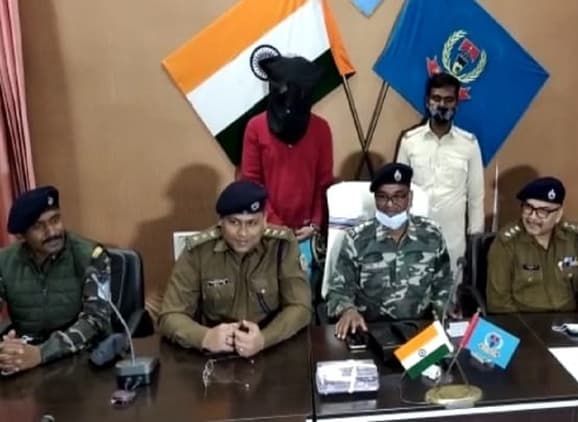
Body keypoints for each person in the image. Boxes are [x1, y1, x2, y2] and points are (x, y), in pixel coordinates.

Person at [158, 180, 312, 357]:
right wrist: (204, 337)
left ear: (264, 220)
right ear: (221, 221)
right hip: (215, 353)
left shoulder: (282, 246)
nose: (243, 233)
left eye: (252, 223)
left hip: (271, 349)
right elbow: (170, 315)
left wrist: (264, 338)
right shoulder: (198, 251)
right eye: (234, 222)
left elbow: (300, 307)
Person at [327, 163, 453, 339]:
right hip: (369, 330)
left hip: (420, 331)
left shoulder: (432, 235)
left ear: (410, 198)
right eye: (382, 197)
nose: (390, 204)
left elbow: (444, 284)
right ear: (375, 199)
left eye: (399, 196)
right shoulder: (356, 239)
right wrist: (348, 310)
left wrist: (440, 313)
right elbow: (338, 291)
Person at [239, 55, 334, 279]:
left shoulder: (321, 129)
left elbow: (324, 182)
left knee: (303, 290)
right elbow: (251, 181)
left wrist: (315, 223)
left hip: (306, 234)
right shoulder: (256, 127)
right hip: (265, 230)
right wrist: (275, 224)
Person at [0, 186, 110, 375]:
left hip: (84, 360)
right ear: (21, 236)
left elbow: (95, 320)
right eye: (38, 226)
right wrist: (6, 349)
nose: (52, 232)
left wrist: (42, 353)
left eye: (55, 220)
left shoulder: (91, 256)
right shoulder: (4, 263)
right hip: (25, 359)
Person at [396, 72, 484, 272]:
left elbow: (476, 198)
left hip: (453, 244)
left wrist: (475, 242)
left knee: (451, 292)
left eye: (448, 100)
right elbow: (398, 192)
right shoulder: (409, 141)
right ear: (427, 102)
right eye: (436, 98)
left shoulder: (469, 144)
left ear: (456, 104)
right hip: (414, 241)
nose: (442, 105)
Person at [486, 177, 578, 313]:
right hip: (524, 321)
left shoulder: (575, 240)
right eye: (528, 207)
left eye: (543, 212)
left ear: (558, 215)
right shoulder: (506, 243)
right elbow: (499, 303)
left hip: (569, 320)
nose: (532, 217)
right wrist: (522, 326)